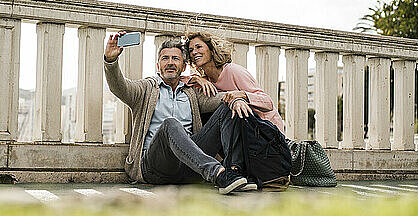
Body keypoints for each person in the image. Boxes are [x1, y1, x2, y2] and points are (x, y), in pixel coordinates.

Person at [104, 32, 250, 194]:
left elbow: (220, 99)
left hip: (190, 167)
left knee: (228, 106)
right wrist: (111, 61)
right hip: (155, 168)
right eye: (165, 58)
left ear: (184, 66)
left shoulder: (191, 92)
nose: (170, 63)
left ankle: (234, 172)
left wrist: (236, 98)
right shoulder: (146, 89)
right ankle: (218, 173)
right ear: (158, 65)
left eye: (175, 59)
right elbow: (119, 87)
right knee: (170, 123)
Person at [185, 31, 288, 189]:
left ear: (211, 49)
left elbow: (268, 103)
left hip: (265, 135)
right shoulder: (206, 80)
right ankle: (232, 169)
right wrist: (196, 78)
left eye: (199, 47)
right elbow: (176, 78)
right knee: (208, 112)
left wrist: (240, 95)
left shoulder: (233, 71)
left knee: (228, 107)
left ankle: (234, 169)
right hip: (244, 133)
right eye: (191, 50)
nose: (194, 52)